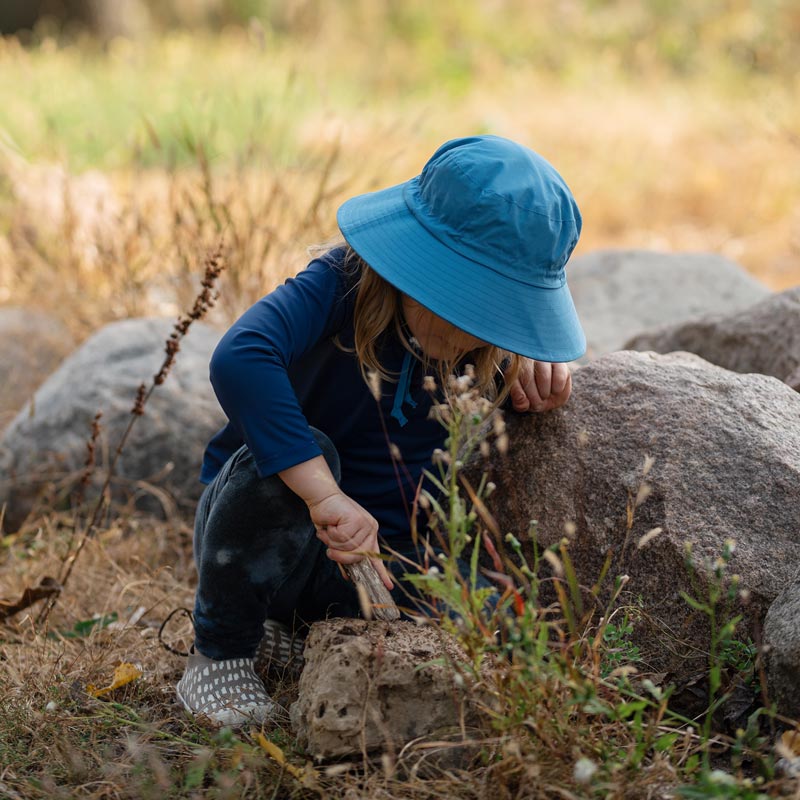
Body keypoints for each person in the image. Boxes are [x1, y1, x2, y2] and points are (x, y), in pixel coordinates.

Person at [176, 135, 586, 726]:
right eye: (463, 302)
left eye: (498, 312)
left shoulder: (493, 346)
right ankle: (221, 654)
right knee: (290, 468)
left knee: (489, 608)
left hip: (373, 564)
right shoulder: (340, 283)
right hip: (269, 535)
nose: (474, 329)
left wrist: (539, 358)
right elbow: (241, 355)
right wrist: (324, 494)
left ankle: (298, 638)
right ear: (411, 262)